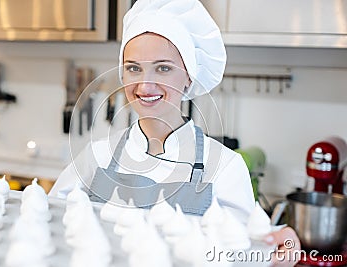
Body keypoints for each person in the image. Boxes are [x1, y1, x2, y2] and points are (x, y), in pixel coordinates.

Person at [49, 0, 301, 266]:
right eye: (134, 67)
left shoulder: (225, 168)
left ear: (189, 77)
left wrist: (279, 241)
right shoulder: (98, 156)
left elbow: (247, 243)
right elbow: (47, 221)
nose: (145, 85)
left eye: (163, 68)